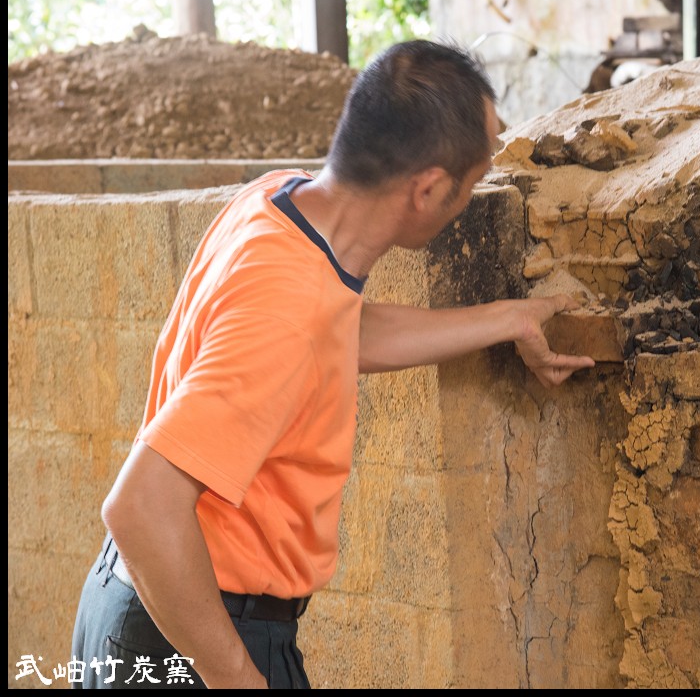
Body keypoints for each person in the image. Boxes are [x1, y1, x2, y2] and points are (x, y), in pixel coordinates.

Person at [70, 39, 594, 689]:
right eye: (474, 180)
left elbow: (336, 334)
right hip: (194, 629)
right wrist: (237, 678)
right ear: (428, 189)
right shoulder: (289, 309)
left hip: (144, 606)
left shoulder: (280, 206)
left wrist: (506, 319)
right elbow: (142, 507)